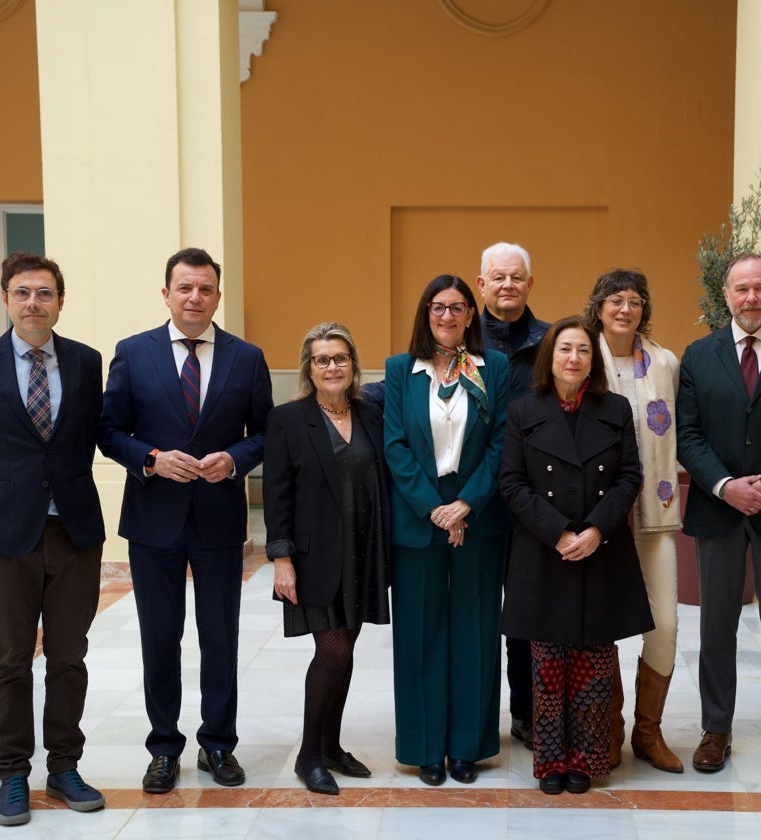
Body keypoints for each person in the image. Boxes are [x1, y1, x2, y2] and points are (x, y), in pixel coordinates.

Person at [99, 247, 273, 794]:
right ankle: (164, 748)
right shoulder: (133, 352)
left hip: (220, 518)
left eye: (205, 288)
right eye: (184, 288)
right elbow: (108, 432)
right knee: (160, 638)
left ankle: (219, 744)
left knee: (220, 638)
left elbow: (268, 432)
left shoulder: (247, 357)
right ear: (167, 293)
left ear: (218, 296)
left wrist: (237, 459)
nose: (194, 297)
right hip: (154, 521)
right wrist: (151, 458)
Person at [0, 252, 106, 826]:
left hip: (75, 532)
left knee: (69, 657)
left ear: (60, 302)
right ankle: (13, 771)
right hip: (4, 536)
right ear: (6, 299)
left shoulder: (87, 363)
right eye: (22, 292)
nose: (33, 303)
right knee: (11, 659)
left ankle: (64, 767)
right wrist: (1, 502)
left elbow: (94, 432)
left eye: (44, 293)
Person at [499, 316, 652, 794]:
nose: (573, 358)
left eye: (583, 351)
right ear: (550, 357)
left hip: (600, 551)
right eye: (565, 349)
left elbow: (630, 476)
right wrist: (560, 532)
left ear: (594, 360)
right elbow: (512, 483)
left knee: (594, 661)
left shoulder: (616, 408)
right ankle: (549, 761)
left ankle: (586, 758)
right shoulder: (524, 410)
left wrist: (595, 530)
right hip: (545, 552)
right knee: (547, 665)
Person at [674, 252, 761, 775]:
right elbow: (687, 434)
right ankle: (716, 729)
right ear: (725, 294)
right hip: (718, 508)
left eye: (760, 287)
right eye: (741, 289)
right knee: (716, 626)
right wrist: (727, 485)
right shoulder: (698, 355)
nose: (751, 297)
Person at [383, 274, 510, 786]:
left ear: (471, 315)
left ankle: (467, 747)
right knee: (419, 634)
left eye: (458, 308)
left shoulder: (492, 368)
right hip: (420, 518)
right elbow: (395, 445)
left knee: (476, 632)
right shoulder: (400, 370)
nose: (448, 317)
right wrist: (436, 509)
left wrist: (466, 505)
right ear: (425, 312)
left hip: (477, 517)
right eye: (439, 308)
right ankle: (424, 747)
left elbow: (502, 444)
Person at [263, 322, 391, 795]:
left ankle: (332, 747)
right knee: (332, 650)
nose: (332, 366)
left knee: (346, 651)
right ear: (309, 369)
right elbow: (276, 496)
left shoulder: (371, 414)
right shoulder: (288, 419)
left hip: (363, 552)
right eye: (322, 359)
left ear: (353, 365)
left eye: (340, 358)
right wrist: (281, 558)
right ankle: (308, 755)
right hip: (314, 557)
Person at [582, 269, 684, 773]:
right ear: (598, 306)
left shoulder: (665, 361)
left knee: (663, 623)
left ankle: (648, 731)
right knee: (602, 627)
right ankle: (611, 729)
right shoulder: (582, 357)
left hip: (655, 512)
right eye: (615, 300)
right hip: (598, 518)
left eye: (636, 301)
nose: (625, 309)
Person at [476, 240, 550, 749]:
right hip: (474, 500)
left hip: (532, 503)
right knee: (476, 613)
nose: (507, 285)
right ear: (481, 284)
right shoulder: (454, 334)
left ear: (529, 283)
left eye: (516, 277)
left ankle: (527, 712)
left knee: (527, 613)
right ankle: (475, 716)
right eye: (497, 277)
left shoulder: (552, 342)